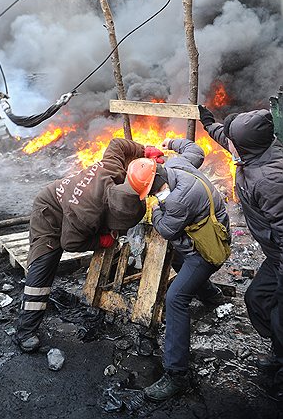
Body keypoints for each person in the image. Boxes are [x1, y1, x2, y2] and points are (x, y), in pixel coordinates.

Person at [16, 138, 165, 352]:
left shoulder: (113, 170)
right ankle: (25, 331)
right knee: (43, 265)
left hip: (72, 206)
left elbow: (117, 144)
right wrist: (100, 241)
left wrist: (144, 150)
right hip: (50, 212)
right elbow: (69, 242)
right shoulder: (88, 216)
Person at [127, 137, 230, 402]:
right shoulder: (178, 164)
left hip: (209, 247)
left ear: (155, 185)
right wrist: (171, 142)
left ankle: (176, 375)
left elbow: (165, 229)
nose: (150, 196)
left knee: (176, 299)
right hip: (218, 225)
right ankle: (211, 295)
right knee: (176, 259)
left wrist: (155, 210)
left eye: (149, 192)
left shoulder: (176, 201)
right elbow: (194, 149)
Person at [198, 105, 283, 401]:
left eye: (235, 141)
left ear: (246, 147)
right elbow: (227, 137)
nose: (229, 144)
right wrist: (208, 122)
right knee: (256, 300)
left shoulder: (270, 180)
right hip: (275, 255)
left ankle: (279, 367)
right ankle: (278, 350)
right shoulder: (257, 151)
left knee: (276, 312)